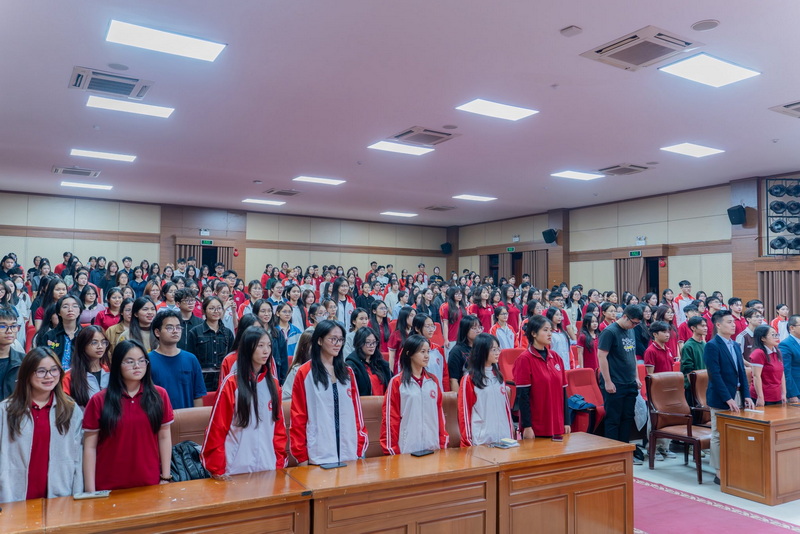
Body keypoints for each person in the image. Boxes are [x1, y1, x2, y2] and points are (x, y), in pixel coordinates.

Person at [82, 340, 174, 491]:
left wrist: (165, 477)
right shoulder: (99, 400)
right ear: (117, 365)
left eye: (141, 361)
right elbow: (90, 447)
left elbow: (164, 437)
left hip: (149, 481)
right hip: (108, 484)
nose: (137, 366)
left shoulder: (159, 395)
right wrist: (90, 491)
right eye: (130, 361)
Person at [0, 347, 84, 502]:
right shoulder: (6, 410)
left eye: (54, 370)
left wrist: (77, 497)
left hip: (58, 498)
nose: (49, 376)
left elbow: (78, 458)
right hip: (14, 498)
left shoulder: (71, 410)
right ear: (27, 373)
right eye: (41, 371)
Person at [201, 327, 287, 477]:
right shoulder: (231, 383)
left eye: (269, 345)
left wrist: (278, 462)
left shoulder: (273, 384)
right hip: (235, 468)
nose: (266, 351)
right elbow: (217, 429)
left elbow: (279, 429)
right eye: (260, 345)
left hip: (268, 466)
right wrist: (217, 469)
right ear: (248, 348)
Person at [290, 320, 368, 466]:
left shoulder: (347, 372)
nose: (337, 344)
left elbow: (357, 414)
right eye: (333, 339)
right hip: (319, 454)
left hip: (349, 452)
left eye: (340, 339)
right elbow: (298, 417)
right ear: (319, 340)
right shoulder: (304, 373)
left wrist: (359, 449)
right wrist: (301, 456)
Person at [704, 310, 754, 485]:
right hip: (721, 397)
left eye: (733, 322)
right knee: (718, 434)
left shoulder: (735, 345)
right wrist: (727, 398)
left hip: (737, 395)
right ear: (718, 325)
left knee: (735, 433)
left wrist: (746, 395)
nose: (733, 325)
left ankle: (734, 466)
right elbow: (715, 375)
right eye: (729, 322)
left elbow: (742, 372)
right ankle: (719, 472)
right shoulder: (712, 346)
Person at [381, 334, 448, 455]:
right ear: (409, 353)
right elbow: (390, 419)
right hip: (407, 448)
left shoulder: (433, 381)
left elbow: (439, 414)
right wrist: (392, 450)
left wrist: (442, 443)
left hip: (432, 446)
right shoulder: (397, 382)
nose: (427, 356)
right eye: (422, 352)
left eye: (428, 351)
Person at [513, 315, 570, 439]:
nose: (550, 334)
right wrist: (527, 426)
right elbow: (523, 396)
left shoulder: (556, 357)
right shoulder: (524, 359)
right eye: (545, 330)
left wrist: (566, 421)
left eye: (550, 330)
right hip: (537, 427)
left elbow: (563, 392)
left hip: (557, 423)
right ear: (533, 333)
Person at [597, 305, 643, 450]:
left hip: (629, 382)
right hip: (615, 382)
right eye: (633, 323)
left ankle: (624, 450)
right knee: (613, 419)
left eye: (637, 324)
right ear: (624, 317)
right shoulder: (610, 332)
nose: (634, 326)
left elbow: (632, 355)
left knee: (627, 418)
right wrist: (608, 381)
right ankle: (613, 452)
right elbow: (601, 356)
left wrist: (636, 377)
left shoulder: (631, 330)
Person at [457, 333, 513, 447]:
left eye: (498, 349)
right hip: (482, 441)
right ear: (482, 351)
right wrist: (468, 443)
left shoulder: (499, 377)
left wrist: (511, 435)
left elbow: (506, 410)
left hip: (504, 438)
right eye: (493, 349)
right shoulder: (469, 379)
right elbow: (464, 413)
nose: (498, 352)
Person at [149, 310, 206, 409]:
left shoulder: (191, 359)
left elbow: (197, 396)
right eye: (169, 327)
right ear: (157, 332)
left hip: (187, 416)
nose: (175, 331)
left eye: (178, 327)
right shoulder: (148, 360)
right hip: (160, 417)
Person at [188, 297, 235, 392]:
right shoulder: (195, 332)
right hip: (202, 378)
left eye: (219, 308)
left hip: (223, 378)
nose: (216, 311)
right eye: (211, 308)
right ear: (204, 310)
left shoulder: (228, 333)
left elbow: (232, 358)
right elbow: (190, 359)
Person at [61, 326, 110, 408]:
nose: (100, 346)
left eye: (103, 342)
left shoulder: (111, 372)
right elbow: (65, 407)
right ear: (83, 345)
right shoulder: (69, 377)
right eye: (94, 342)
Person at [345, 327, 391, 396]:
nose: (372, 346)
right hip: (363, 402)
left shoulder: (381, 363)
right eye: (368, 342)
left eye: (374, 342)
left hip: (383, 401)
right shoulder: (352, 365)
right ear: (359, 343)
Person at [42, 295, 83, 370]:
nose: (70, 309)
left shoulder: (85, 335)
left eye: (75, 306)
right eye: (65, 307)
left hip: (80, 374)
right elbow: (42, 359)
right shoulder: (50, 336)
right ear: (59, 312)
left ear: (80, 311)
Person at [749, 325, 787, 406]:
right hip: (764, 396)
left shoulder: (778, 351)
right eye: (773, 335)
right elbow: (756, 376)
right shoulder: (758, 353)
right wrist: (760, 397)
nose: (776, 337)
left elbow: (782, 373)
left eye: (777, 334)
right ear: (763, 338)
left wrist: (783, 393)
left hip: (777, 395)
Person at [412, 313, 450, 392]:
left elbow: (445, 375)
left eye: (432, 326)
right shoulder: (410, 350)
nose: (431, 329)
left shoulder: (438, 349)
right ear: (417, 328)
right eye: (427, 326)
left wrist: (446, 393)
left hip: (438, 393)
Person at [0, 308, 24, 400]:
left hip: (14, 408)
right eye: (2, 326)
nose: (9, 331)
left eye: (13, 326)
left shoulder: (24, 361)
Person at [680, 316, 708, 392]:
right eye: (702, 326)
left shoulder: (704, 344)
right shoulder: (688, 346)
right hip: (693, 387)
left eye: (706, 326)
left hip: (704, 383)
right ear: (693, 328)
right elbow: (687, 369)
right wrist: (694, 385)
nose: (705, 328)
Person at [779, 315, 800, 403]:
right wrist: (792, 394)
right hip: (797, 390)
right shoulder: (785, 344)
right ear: (792, 328)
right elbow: (786, 371)